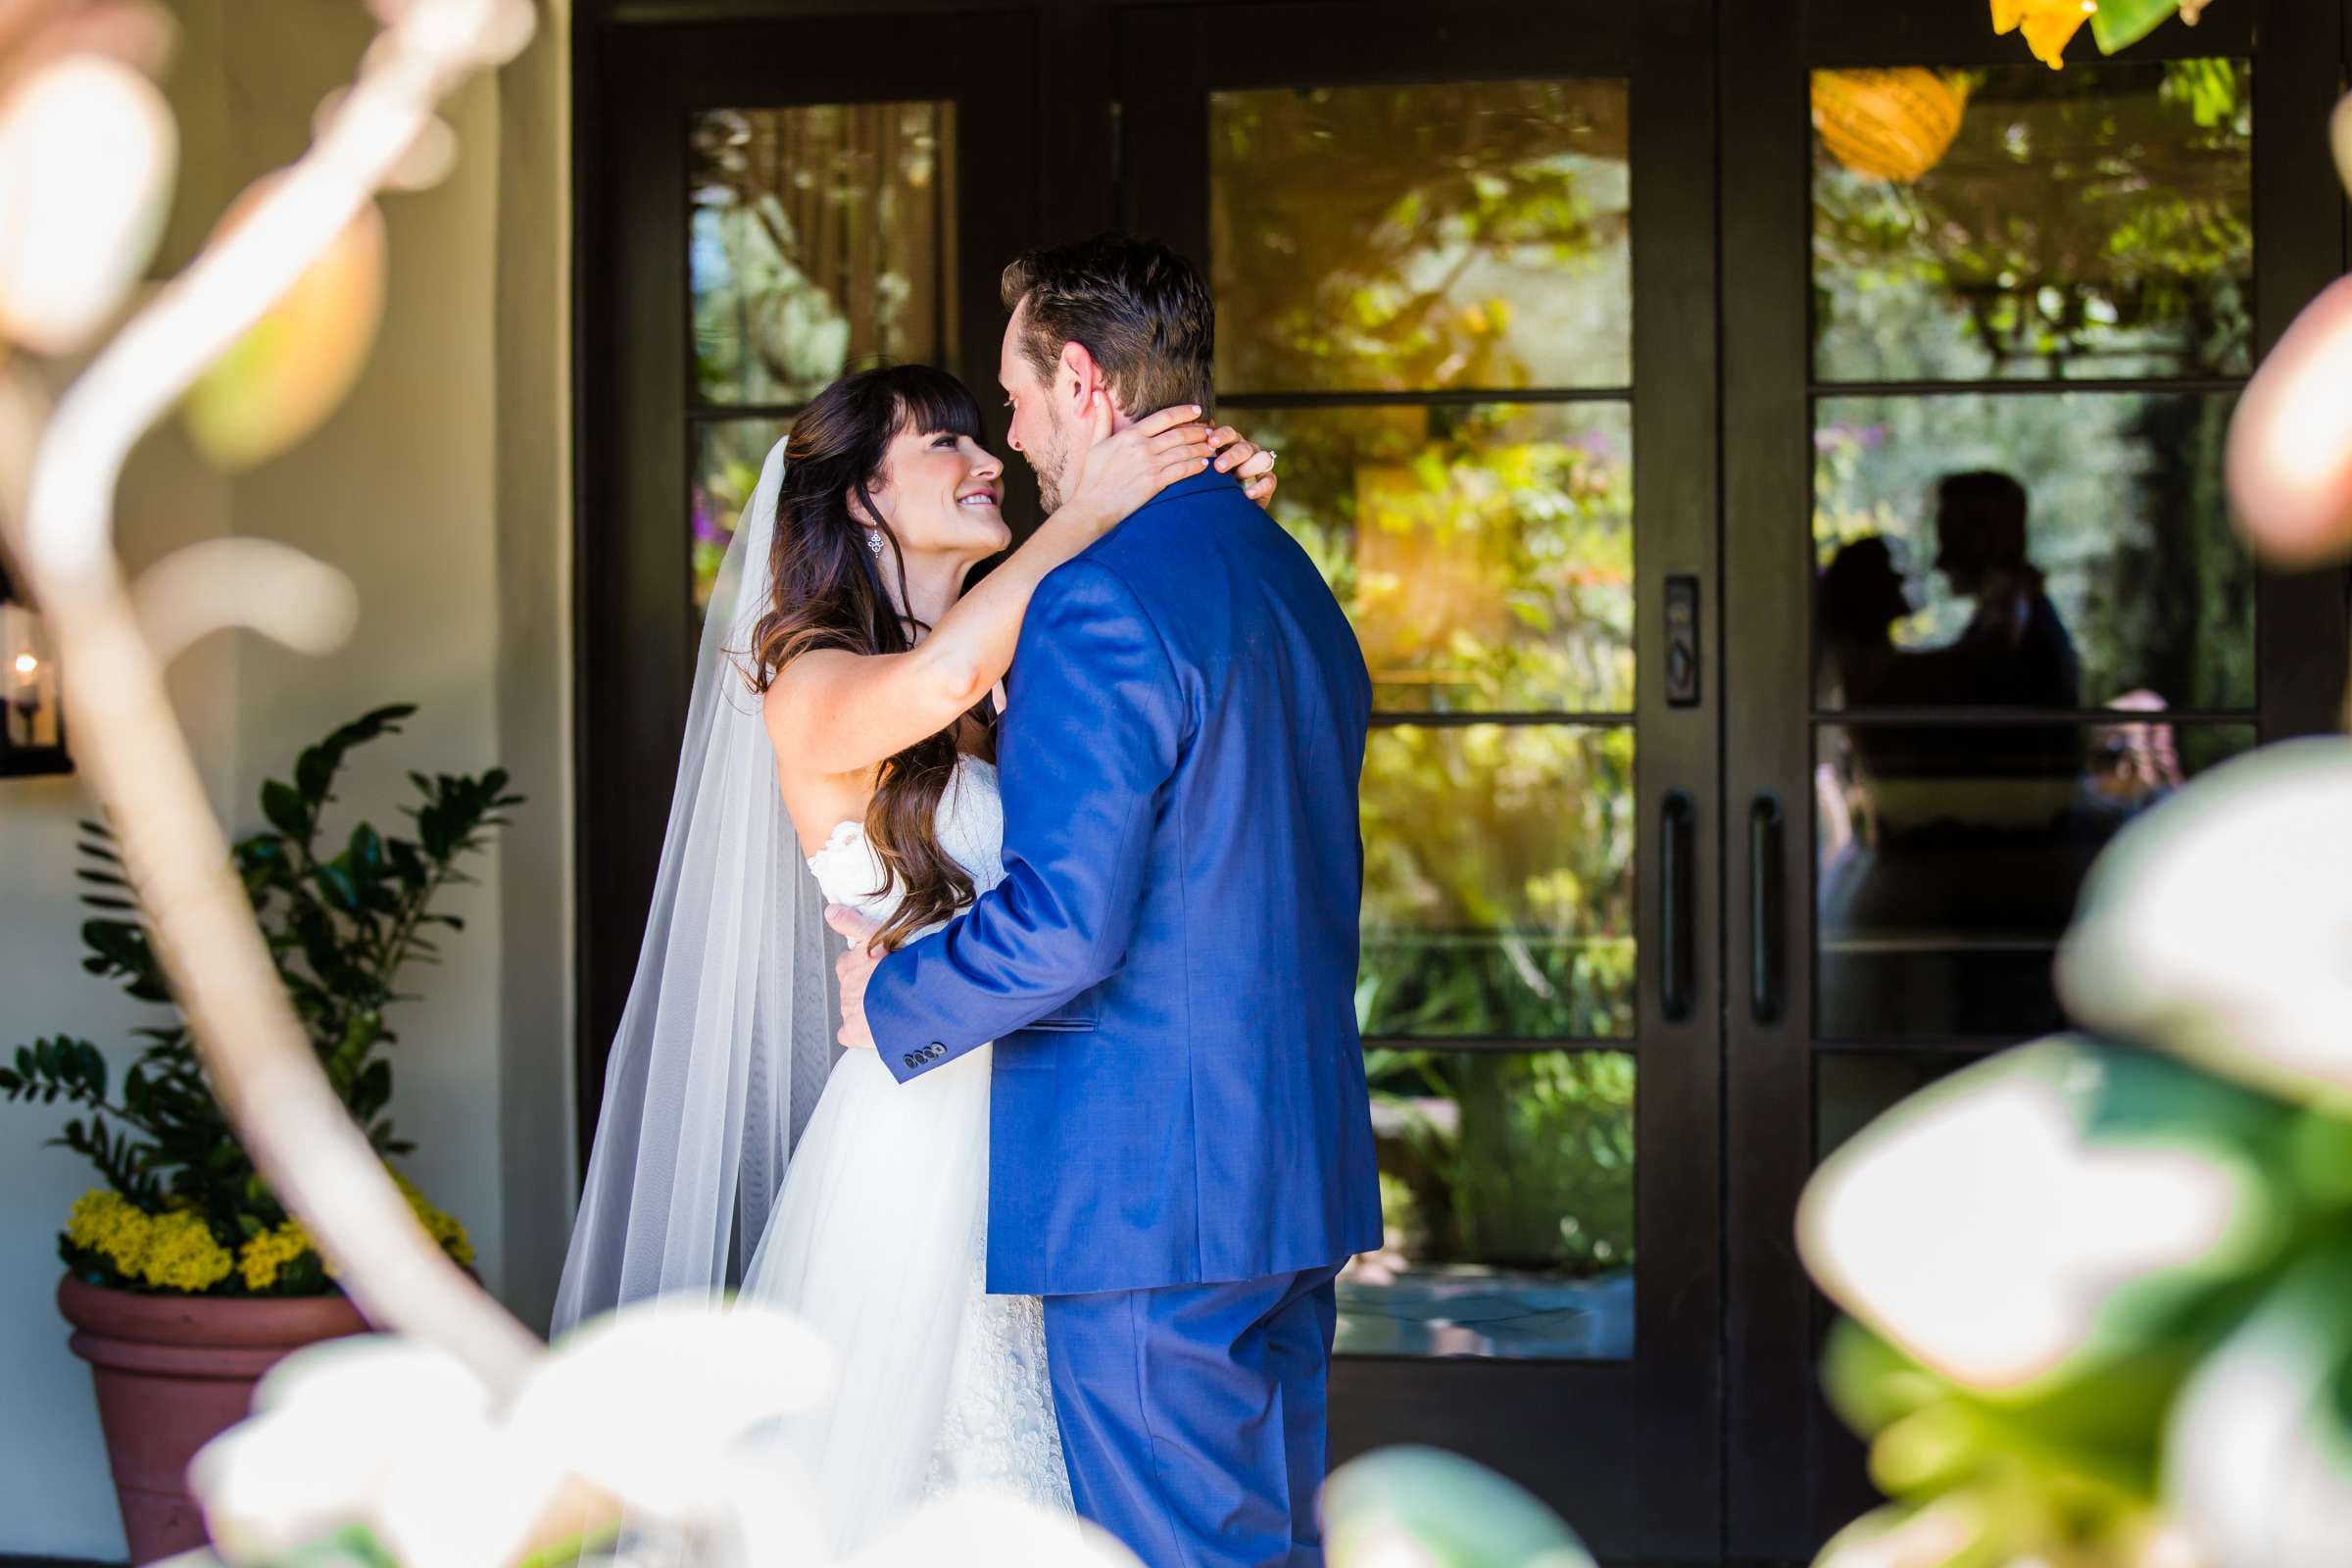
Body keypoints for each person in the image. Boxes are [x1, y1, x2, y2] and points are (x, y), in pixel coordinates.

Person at [552, 350, 1280, 1555]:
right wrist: (1094, 506)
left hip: (1067, 1113)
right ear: (859, 496)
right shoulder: (811, 682)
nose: (987, 457)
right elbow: (940, 672)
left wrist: (1204, 519)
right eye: (943, 442)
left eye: (978, 433)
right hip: (925, 1131)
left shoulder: (1029, 670)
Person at [830, 234, 1383, 1568]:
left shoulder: (1097, 604)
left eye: (1015, 398)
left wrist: (889, 997)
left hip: (1153, 1191)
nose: (1009, 438)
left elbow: (1071, 923)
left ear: (1082, 382)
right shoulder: (1287, 577)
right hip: (1286, 1168)